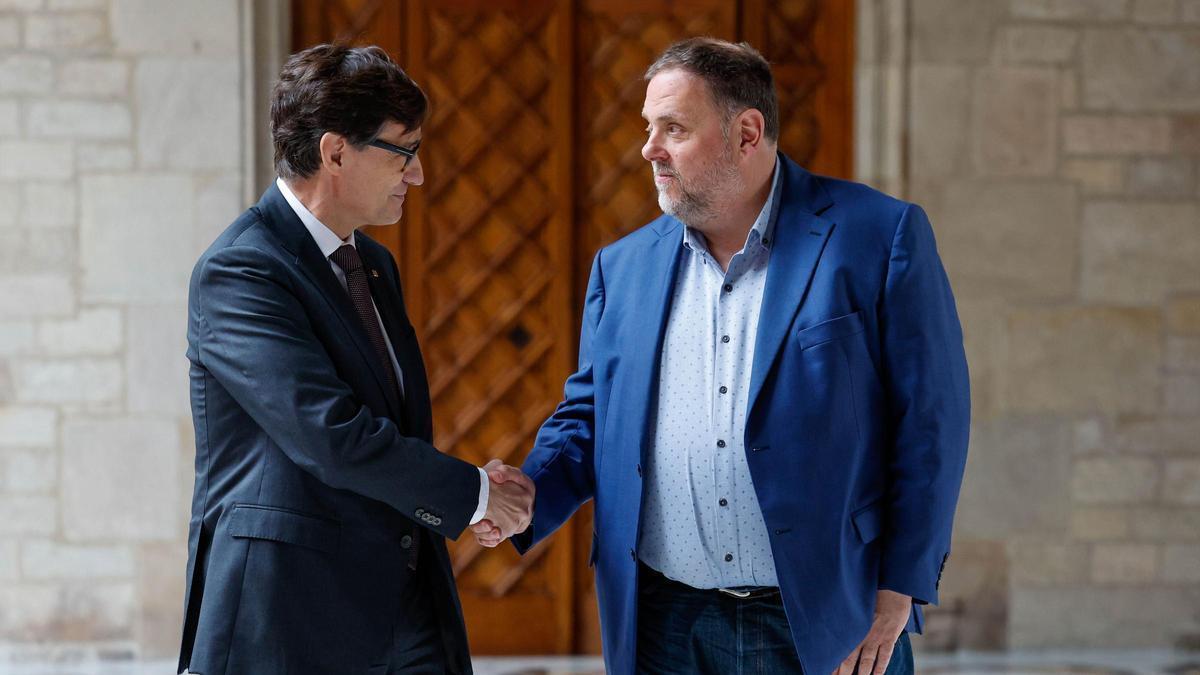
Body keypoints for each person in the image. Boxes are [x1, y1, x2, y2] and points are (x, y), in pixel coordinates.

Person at [474, 37, 970, 675]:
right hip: (663, 624)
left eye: (673, 128)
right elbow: (591, 415)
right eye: (648, 128)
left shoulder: (877, 236)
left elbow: (931, 424)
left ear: (747, 132)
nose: (648, 149)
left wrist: (899, 586)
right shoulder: (621, 267)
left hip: (824, 618)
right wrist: (531, 492)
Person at [179, 43, 532, 675]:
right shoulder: (240, 271)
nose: (418, 175)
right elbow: (330, 436)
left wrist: (468, 497)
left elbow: (391, 426)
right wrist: (473, 495)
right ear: (335, 151)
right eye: (404, 151)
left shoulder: (373, 263)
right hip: (290, 619)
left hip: (404, 606)